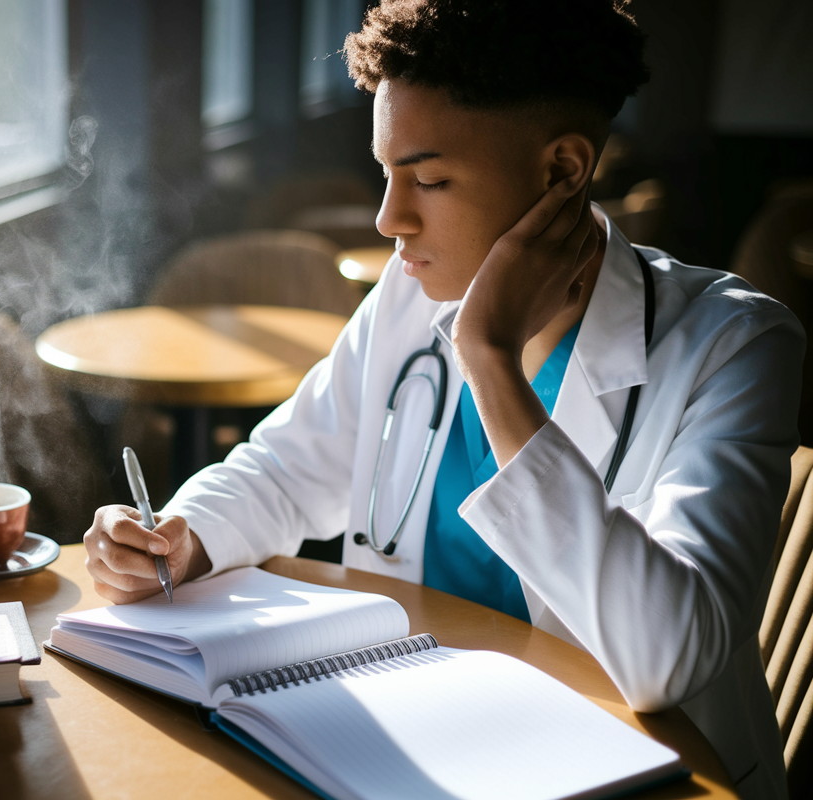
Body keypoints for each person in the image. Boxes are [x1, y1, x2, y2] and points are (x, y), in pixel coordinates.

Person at [84, 2, 802, 797]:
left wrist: (490, 361)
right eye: (386, 173)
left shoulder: (735, 344)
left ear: (563, 171)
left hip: (626, 770)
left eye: (429, 179)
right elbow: (288, 467)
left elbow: (665, 659)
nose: (390, 219)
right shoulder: (408, 293)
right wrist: (184, 538)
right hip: (414, 750)